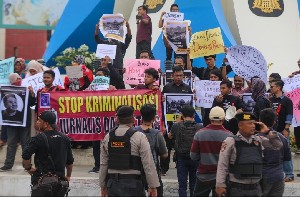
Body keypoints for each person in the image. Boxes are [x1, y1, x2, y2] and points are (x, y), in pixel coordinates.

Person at [215, 112, 283, 197]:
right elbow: (222, 164)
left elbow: (277, 146)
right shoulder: (231, 141)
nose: (253, 126)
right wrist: (220, 185)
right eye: (250, 123)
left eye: (254, 123)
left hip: (256, 188)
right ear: (240, 125)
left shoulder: (259, 140)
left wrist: (267, 131)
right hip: (237, 188)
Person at [99, 105, 159, 197]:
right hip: (133, 185)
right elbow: (148, 163)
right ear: (133, 120)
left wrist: (102, 186)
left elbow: (103, 164)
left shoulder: (107, 137)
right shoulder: (139, 137)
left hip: (113, 185)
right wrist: (152, 186)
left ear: (117, 120)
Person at [22, 111, 74, 196]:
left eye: (39, 120)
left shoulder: (38, 138)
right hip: (59, 184)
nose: (37, 123)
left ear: (46, 124)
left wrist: (28, 168)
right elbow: (70, 162)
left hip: (41, 183)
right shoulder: (65, 138)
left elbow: (25, 155)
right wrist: (68, 176)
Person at [190, 106, 232, 197]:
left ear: (209, 118)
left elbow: (193, 156)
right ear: (223, 118)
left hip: (203, 176)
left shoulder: (199, 134)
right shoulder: (229, 136)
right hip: (222, 178)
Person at [0, 74, 36, 172]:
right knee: (11, 144)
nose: (19, 80)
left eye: (20, 78)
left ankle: (27, 165)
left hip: (24, 123)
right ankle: (8, 165)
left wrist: (32, 93)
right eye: (17, 79)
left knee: (26, 144)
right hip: (11, 124)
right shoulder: (7, 91)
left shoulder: (26, 90)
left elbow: (32, 103)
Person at [161, 66, 193, 175]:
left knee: (180, 144)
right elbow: (163, 105)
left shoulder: (188, 88)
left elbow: (190, 104)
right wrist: (163, 100)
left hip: (183, 122)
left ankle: (179, 164)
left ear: (183, 76)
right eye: (176, 75)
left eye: (180, 75)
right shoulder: (167, 88)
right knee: (167, 145)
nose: (178, 77)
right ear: (172, 76)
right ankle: (164, 168)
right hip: (169, 122)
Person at [168, 105, 203, 197]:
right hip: (195, 158)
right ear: (193, 115)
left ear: (182, 115)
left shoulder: (176, 125)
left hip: (181, 158)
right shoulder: (199, 126)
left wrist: (176, 122)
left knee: (182, 185)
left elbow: (170, 136)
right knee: (194, 184)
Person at [136, 104, 168, 197]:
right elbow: (164, 154)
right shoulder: (157, 134)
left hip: (137, 170)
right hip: (153, 170)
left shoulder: (134, 131)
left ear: (141, 116)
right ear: (154, 118)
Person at [258, 108, 291, 197]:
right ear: (274, 122)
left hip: (259, 178)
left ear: (259, 120)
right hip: (277, 177)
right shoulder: (282, 138)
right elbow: (287, 158)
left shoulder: (254, 138)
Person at [269, 79, 294, 182]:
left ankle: (289, 174)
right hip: (272, 131)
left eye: (272, 86)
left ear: (278, 88)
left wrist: (286, 128)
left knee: (285, 152)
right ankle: (277, 174)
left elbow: (289, 115)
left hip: (283, 130)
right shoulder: (270, 100)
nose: (270, 88)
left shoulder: (287, 101)